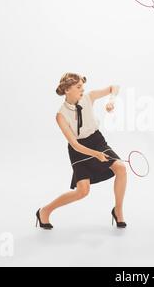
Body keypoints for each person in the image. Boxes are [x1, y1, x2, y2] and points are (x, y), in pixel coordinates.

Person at [35, 73, 128, 229]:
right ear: (67, 90)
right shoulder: (61, 116)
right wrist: (96, 155)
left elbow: (114, 87)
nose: (82, 90)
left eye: (82, 87)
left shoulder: (88, 98)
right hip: (78, 149)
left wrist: (111, 101)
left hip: (97, 141)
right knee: (82, 191)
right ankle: (44, 211)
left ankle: (118, 210)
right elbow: (75, 145)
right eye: (78, 87)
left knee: (121, 168)